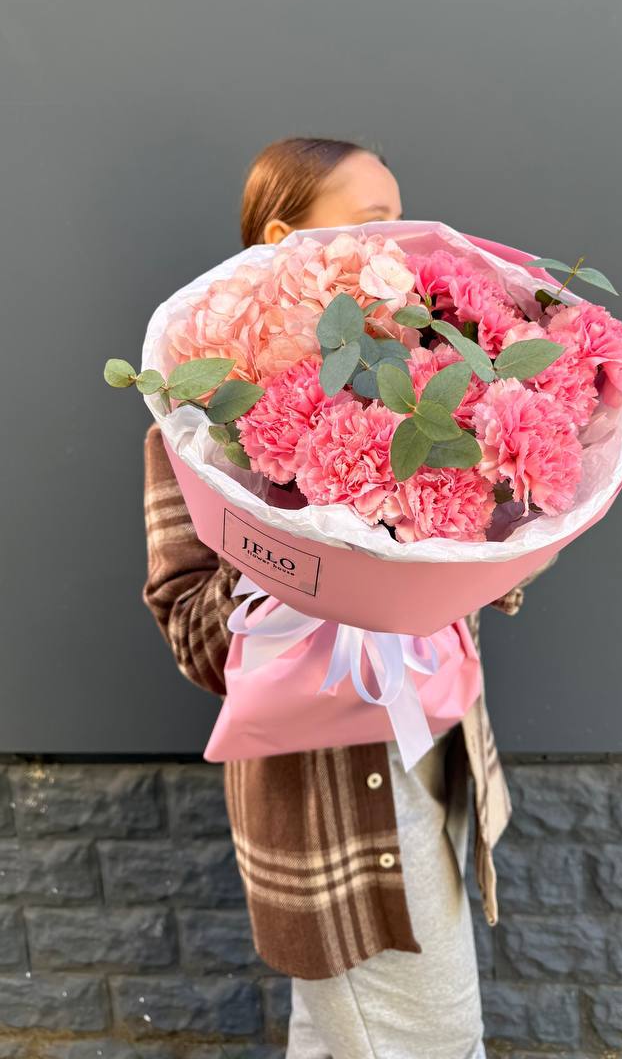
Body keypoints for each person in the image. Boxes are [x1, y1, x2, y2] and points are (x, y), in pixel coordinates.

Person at [141, 136, 556, 1059]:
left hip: (438, 762)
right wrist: (291, 545)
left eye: (401, 220)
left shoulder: (426, 379)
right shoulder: (198, 424)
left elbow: (475, 581)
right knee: (432, 1042)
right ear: (285, 242)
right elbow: (196, 641)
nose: (399, 246)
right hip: (337, 811)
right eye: (374, 224)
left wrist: (496, 535)